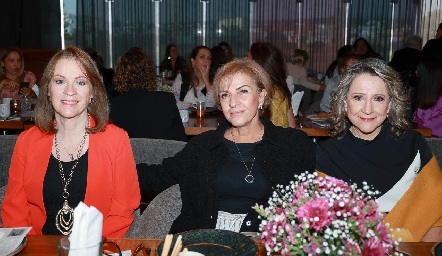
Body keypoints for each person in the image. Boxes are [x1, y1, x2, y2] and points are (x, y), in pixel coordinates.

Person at [137, 59, 316, 234]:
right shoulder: (204, 145)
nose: (233, 102)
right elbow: (158, 176)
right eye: (225, 95)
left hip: (263, 245)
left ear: (262, 96)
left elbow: (326, 189)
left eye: (243, 91)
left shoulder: (293, 144)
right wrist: (112, 167)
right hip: (205, 242)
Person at [1, 46, 140, 238]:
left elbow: (122, 213)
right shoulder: (26, 141)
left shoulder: (116, 140)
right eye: (60, 81)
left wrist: (85, 249)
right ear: (48, 90)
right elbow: (14, 212)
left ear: (92, 92)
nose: (69, 91)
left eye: (81, 83)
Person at [316, 58, 442, 242]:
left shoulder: (414, 145)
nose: (368, 109)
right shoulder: (326, 154)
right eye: (358, 97)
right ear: (344, 102)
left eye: (378, 99)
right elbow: (326, 228)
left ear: (390, 105)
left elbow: (436, 217)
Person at [110, 47, 186, 141]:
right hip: (163, 155)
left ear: (120, 75)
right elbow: (181, 140)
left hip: (127, 155)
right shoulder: (167, 99)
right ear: (150, 73)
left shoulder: (113, 104)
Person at [246, 42, 296, 128]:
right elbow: (292, 125)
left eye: (248, 57)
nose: (244, 59)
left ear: (257, 64)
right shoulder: (281, 90)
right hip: (283, 140)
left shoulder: (260, 92)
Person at [413, 56, 442, 138]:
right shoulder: (425, 99)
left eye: (418, 70)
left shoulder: (440, 101)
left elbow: (431, 130)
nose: (415, 72)